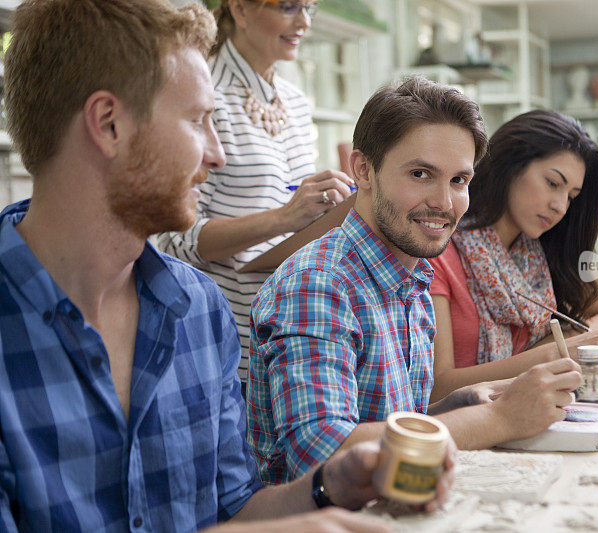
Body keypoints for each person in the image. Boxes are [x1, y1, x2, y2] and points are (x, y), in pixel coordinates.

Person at [0, 2, 453, 531]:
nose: (216, 153)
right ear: (108, 124)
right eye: (197, 120)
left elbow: (234, 509)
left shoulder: (198, 309)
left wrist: (330, 484)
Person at [249, 77, 582, 484]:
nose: (445, 203)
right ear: (363, 170)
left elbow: (392, 420)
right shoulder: (318, 283)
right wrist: (497, 418)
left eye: (459, 180)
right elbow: (323, 455)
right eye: (422, 174)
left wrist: (461, 404)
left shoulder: (413, 274)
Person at [158, 0, 355, 379]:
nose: (303, 22)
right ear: (241, 9)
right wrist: (284, 217)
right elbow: (173, 238)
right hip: (224, 337)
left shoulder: (296, 102)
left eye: (309, 8)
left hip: (289, 327)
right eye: (287, 7)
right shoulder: (203, 94)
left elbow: (295, 213)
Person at [428, 110, 598, 402]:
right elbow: (436, 388)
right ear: (511, 166)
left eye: (571, 196)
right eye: (553, 183)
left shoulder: (537, 259)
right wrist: (557, 352)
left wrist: (579, 342)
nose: (560, 206)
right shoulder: (437, 251)